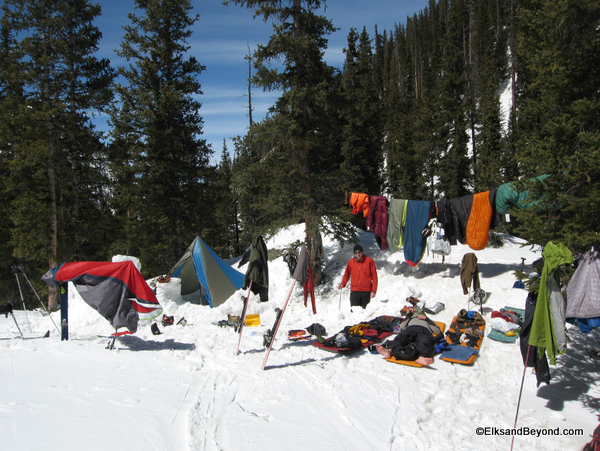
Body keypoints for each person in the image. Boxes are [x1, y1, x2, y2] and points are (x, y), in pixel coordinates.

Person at [375, 308, 442, 366]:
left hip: (424, 329)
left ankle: (422, 357)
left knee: (425, 340)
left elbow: (437, 331)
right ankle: (389, 350)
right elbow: (399, 328)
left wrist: (427, 319)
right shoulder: (410, 319)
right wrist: (408, 316)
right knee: (401, 337)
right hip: (411, 328)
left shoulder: (427, 321)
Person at [337, 244, 378, 309]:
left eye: (359, 252)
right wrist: (343, 284)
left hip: (366, 291)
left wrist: (373, 291)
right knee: (354, 312)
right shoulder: (351, 262)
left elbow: (375, 277)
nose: (358, 254)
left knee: (365, 313)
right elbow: (347, 274)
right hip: (354, 291)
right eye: (356, 253)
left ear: (362, 252)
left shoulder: (369, 261)